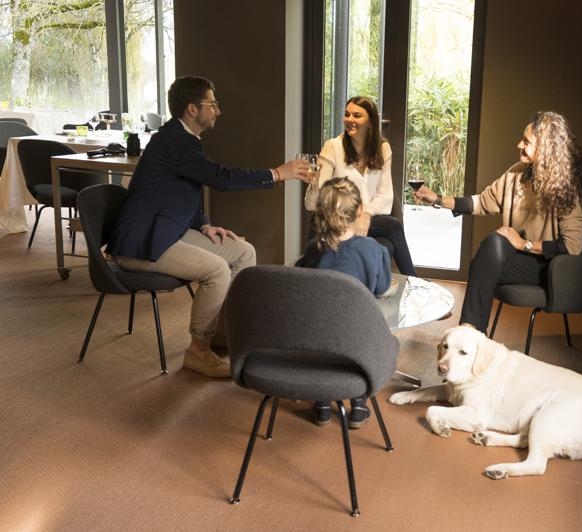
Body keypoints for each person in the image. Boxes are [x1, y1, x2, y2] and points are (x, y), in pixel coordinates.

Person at [108, 75, 310, 378]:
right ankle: (198, 351)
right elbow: (221, 178)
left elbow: (183, 191)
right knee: (216, 270)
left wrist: (204, 225)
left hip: (168, 229)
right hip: (142, 241)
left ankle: (222, 333)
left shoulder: (183, 138)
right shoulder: (176, 140)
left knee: (243, 252)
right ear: (192, 108)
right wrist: (277, 174)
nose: (217, 111)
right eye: (212, 104)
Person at [414, 111, 582, 333]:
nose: (519, 144)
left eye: (526, 142)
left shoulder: (568, 187)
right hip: (520, 258)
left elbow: (573, 246)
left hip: (553, 267)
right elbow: (481, 202)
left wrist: (523, 244)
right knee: (493, 245)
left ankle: (469, 333)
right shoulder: (517, 174)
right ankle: (471, 333)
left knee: (482, 265)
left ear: (547, 148)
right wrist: (438, 200)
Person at [311, 177, 394, 428]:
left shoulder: (313, 251)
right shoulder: (375, 250)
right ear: (359, 211)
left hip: (316, 341)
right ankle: (359, 404)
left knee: (325, 329)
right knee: (373, 335)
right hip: (358, 341)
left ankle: (323, 402)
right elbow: (381, 288)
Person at [303, 95, 417, 276]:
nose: (349, 120)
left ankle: (375, 295)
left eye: (357, 116)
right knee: (393, 226)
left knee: (386, 247)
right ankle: (413, 282)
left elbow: (385, 198)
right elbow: (315, 204)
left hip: (366, 222)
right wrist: (314, 182)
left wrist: (366, 214)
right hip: (337, 221)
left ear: (371, 122)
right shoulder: (333, 147)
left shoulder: (383, 148)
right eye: (347, 114)